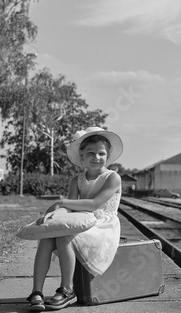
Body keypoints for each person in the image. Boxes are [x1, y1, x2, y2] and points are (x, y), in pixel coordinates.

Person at [26, 127, 124, 311]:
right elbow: (69, 208)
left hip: (103, 227)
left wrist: (61, 202)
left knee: (65, 236)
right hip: (83, 221)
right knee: (48, 235)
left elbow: (94, 204)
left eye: (101, 153)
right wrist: (53, 215)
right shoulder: (77, 180)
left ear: (108, 155)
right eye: (91, 153)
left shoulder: (113, 178)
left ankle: (67, 288)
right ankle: (36, 292)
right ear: (82, 156)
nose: (96, 157)